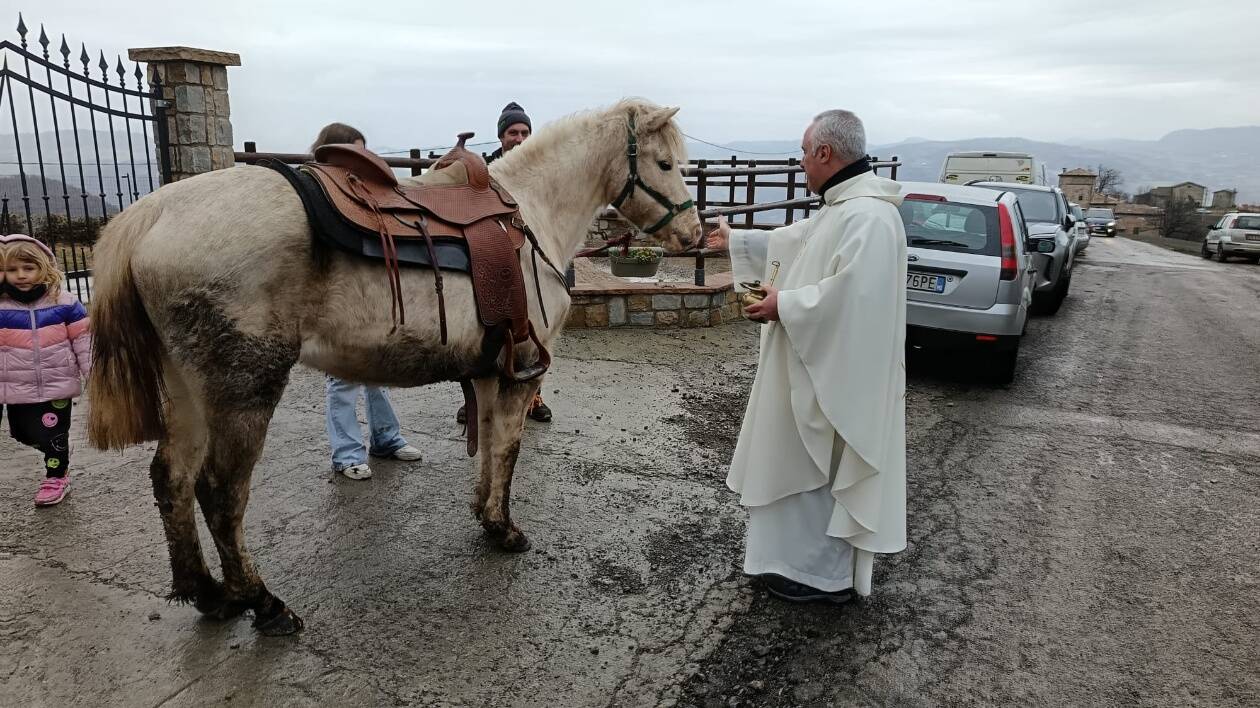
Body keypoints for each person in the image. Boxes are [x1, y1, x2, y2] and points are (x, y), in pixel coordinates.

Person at [707, 109, 907, 602]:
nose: (800, 163)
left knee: (821, 470)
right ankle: (787, 564)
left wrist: (787, 304)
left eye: (802, 152)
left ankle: (822, 576)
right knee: (794, 460)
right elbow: (797, 240)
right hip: (805, 367)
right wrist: (736, 240)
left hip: (833, 382)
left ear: (824, 152)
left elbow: (857, 301)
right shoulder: (844, 207)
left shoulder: (870, 217)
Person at [311, 122, 424, 480]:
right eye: (355, 153)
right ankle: (346, 454)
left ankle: (386, 438)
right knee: (342, 377)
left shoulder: (362, 191)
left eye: (365, 151)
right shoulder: (317, 191)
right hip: (337, 295)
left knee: (378, 367)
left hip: (370, 292)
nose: (362, 160)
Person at [456, 101, 552, 425]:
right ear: (501, 137)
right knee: (481, 329)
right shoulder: (486, 171)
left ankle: (533, 396)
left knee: (534, 331)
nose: (520, 138)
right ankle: (474, 398)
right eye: (513, 132)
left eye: (525, 132)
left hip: (530, 262)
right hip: (493, 259)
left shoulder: (541, 173)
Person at [0, 232, 92, 506]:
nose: (21, 275)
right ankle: (58, 447)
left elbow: (84, 340)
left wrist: (93, 371)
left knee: (52, 434)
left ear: (44, 267)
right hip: (16, 386)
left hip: (57, 384)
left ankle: (56, 474)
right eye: (11, 270)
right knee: (23, 433)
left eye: (28, 268)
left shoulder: (64, 303)